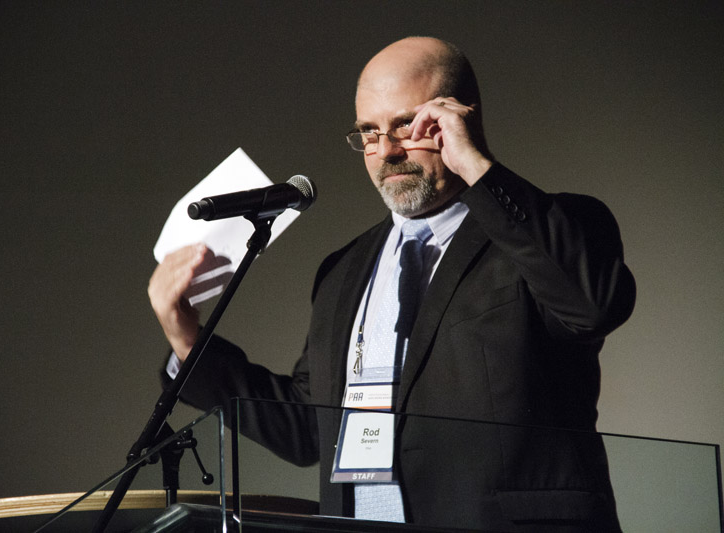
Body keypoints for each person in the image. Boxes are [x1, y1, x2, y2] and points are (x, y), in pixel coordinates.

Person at [148, 37, 636, 532]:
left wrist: (476, 164)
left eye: (406, 125)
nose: (387, 150)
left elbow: (592, 306)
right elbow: (308, 428)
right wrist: (185, 337)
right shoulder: (343, 270)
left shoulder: (558, 226)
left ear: (460, 117)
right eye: (368, 132)